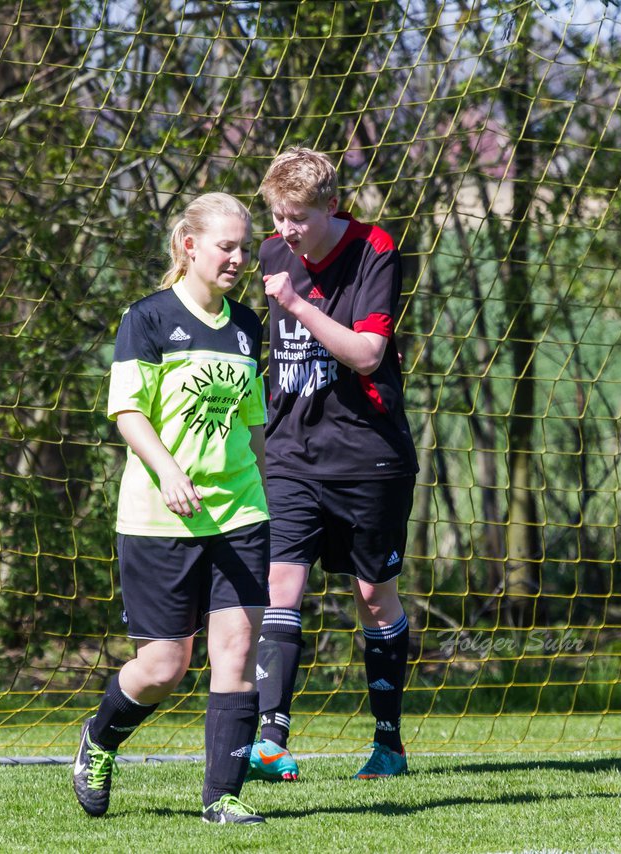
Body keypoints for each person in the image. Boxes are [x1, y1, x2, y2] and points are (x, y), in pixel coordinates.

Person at [72, 193, 270, 824]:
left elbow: (253, 422)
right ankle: (100, 739)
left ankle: (224, 798)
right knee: (165, 666)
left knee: (237, 646)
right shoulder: (149, 318)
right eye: (227, 246)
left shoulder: (247, 327)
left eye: (246, 247)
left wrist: (267, 489)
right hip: (160, 518)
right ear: (190, 246)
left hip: (239, 511)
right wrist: (167, 468)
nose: (239, 258)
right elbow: (128, 411)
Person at [249, 148, 419, 782]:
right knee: (281, 587)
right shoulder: (270, 253)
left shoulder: (375, 248)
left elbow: (369, 354)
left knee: (374, 597)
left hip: (369, 456)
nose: (284, 230)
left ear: (328, 206)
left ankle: (388, 744)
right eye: (276, 216)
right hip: (292, 453)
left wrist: (298, 305)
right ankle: (271, 742)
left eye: (295, 217)